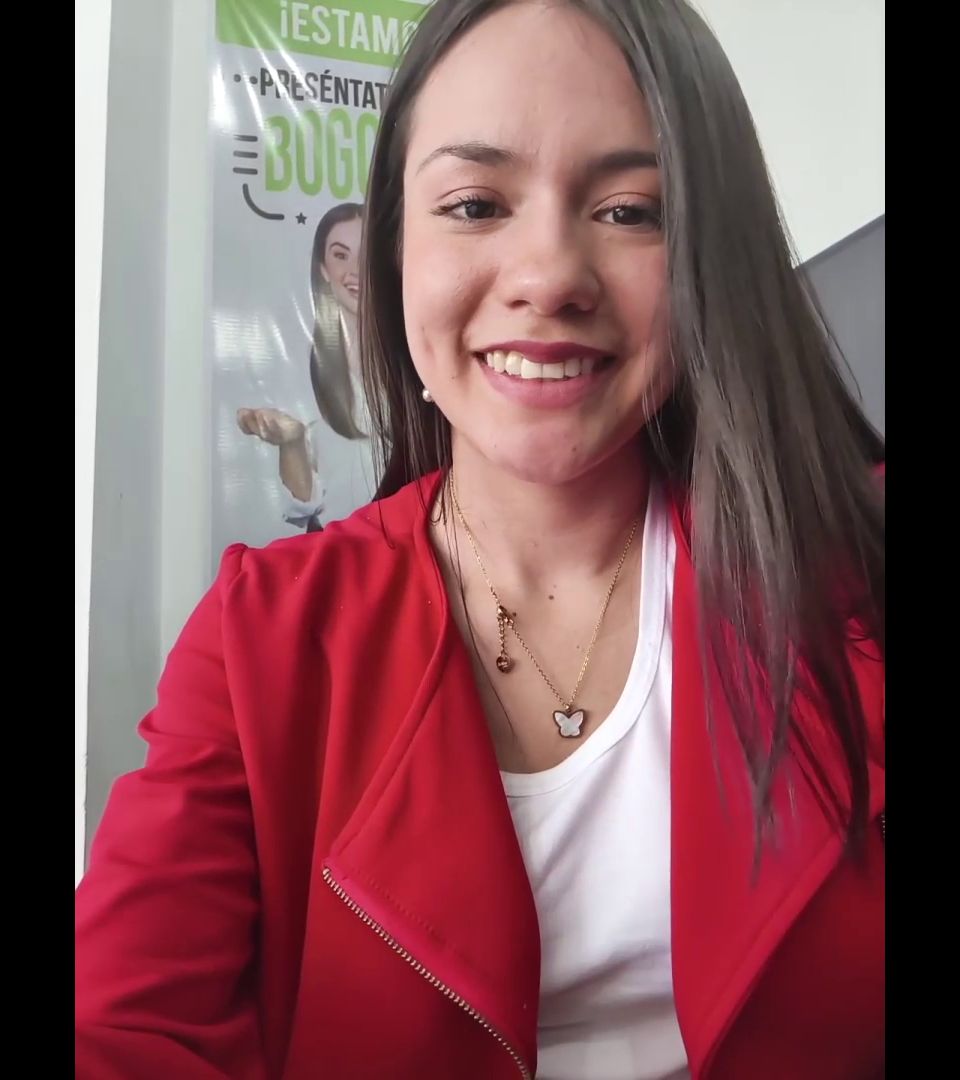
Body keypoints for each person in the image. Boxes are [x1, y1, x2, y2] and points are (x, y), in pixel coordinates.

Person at [76, 1, 885, 1078]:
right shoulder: (262, 637)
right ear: (394, 254)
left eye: (631, 211)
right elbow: (123, 1028)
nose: (549, 275)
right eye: (474, 204)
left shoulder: (854, 569)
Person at [237, 202, 374, 531]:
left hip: (414, 549)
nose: (354, 271)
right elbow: (304, 505)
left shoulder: (417, 362)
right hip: (341, 551)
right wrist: (292, 443)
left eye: (366, 254)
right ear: (324, 269)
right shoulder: (300, 368)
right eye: (340, 255)